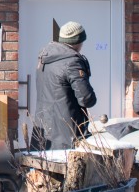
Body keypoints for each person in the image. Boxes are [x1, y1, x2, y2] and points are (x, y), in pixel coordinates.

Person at [32, 21, 97, 150]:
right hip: (66, 132)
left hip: (43, 128)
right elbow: (86, 99)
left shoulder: (44, 58)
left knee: (43, 168)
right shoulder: (72, 62)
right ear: (78, 41)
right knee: (70, 168)